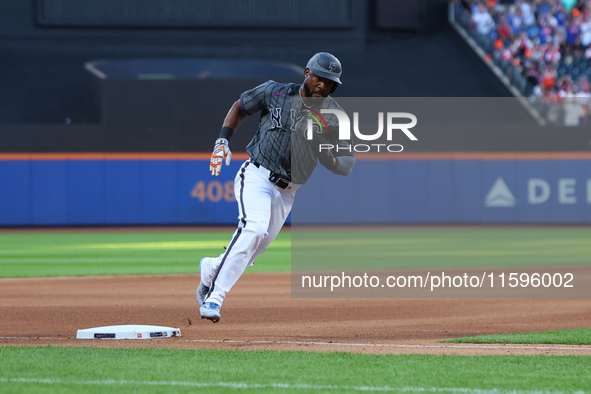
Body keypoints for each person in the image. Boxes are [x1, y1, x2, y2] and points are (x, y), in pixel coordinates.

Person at [197, 52, 356, 323]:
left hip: (288, 192)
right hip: (257, 174)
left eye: (330, 84)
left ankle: (211, 267)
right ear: (307, 72)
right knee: (254, 228)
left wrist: (326, 154)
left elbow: (347, 162)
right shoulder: (275, 92)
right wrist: (223, 140)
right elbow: (241, 106)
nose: (323, 86)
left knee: (251, 251)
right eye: (320, 78)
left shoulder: (334, 116)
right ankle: (215, 296)